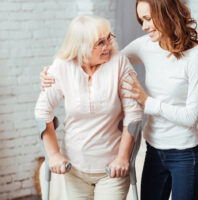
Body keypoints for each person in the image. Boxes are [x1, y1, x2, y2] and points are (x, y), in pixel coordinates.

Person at [40, 0, 198, 199]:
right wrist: (54, 71)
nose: (144, 27)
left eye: (147, 19)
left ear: (167, 14)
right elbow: (104, 59)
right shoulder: (145, 45)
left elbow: (191, 117)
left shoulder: (196, 56)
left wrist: (147, 102)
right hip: (154, 149)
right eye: (141, 20)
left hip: (185, 153)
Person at [35, 14, 142, 200]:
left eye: (109, 38)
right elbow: (42, 112)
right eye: (100, 42)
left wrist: (123, 158)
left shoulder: (119, 63)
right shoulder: (62, 67)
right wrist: (53, 155)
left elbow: (133, 115)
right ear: (81, 47)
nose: (108, 46)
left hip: (112, 169)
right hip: (74, 168)